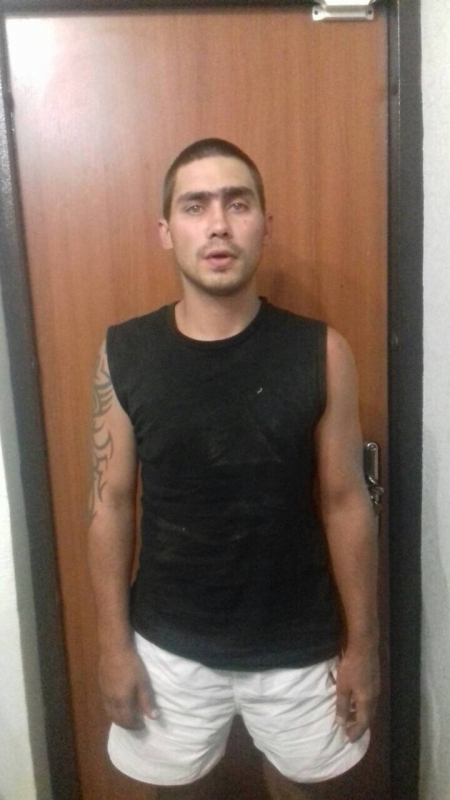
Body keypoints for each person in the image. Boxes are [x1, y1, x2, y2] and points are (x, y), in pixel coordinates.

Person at [88, 138, 380, 800]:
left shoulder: (321, 351)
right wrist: (112, 646)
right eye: (195, 206)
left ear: (265, 224)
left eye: (237, 203)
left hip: (300, 640)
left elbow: (345, 502)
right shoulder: (124, 353)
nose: (218, 224)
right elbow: (110, 503)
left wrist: (364, 647)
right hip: (168, 642)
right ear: (166, 230)